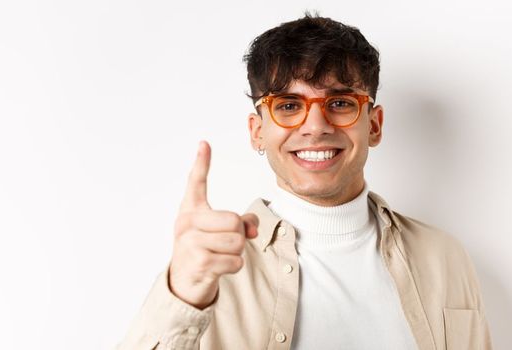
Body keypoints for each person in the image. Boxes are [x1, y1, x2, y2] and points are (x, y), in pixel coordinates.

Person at [117, 13, 491, 350]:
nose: (315, 126)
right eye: (289, 106)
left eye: (341, 103)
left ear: (373, 125)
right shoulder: (210, 267)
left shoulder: (445, 257)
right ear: (257, 132)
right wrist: (183, 296)